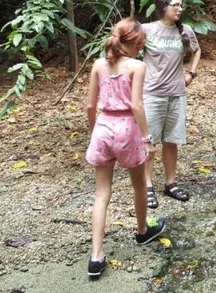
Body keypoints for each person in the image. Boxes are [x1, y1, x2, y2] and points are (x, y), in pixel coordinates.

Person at [85, 17, 166, 280]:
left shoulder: (98, 64)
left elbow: (90, 106)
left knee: (101, 194)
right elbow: (136, 105)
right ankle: (142, 231)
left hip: (103, 127)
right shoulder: (137, 66)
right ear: (137, 43)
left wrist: (94, 131)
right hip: (127, 131)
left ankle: (96, 256)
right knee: (139, 184)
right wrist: (147, 139)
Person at [141, 0, 201, 208]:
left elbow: (196, 50)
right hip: (151, 94)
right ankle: (146, 186)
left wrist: (191, 74)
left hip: (176, 94)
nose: (179, 9)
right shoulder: (147, 30)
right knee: (149, 142)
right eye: (175, 5)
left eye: (181, 5)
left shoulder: (185, 30)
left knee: (171, 140)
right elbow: (128, 49)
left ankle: (171, 183)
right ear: (163, 7)